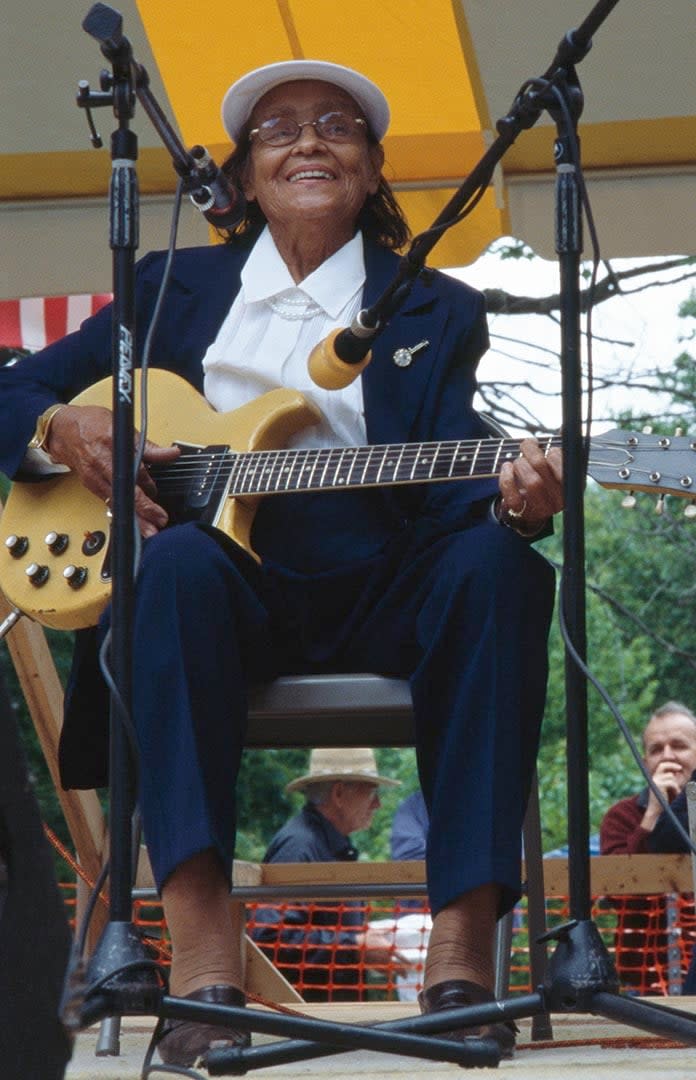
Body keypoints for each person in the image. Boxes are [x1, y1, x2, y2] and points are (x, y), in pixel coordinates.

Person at [0, 59, 563, 1066]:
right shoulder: (171, 286)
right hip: (223, 590)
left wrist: (515, 506)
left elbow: (452, 503)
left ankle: (463, 957)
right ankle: (203, 965)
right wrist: (58, 421)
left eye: (336, 126)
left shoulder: (435, 308)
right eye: (279, 132)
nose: (308, 141)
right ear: (246, 178)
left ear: (374, 167)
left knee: (500, 567)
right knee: (172, 572)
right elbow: (13, 388)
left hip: (388, 578)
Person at [250, 747, 401, 1000]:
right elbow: (269, 938)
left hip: (320, 1021)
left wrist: (360, 942)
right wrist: (354, 946)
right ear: (339, 793)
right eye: (372, 792)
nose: (378, 803)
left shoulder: (323, 843)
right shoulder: (299, 847)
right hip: (305, 1023)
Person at [600, 701, 696, 992]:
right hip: (644, 979)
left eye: (679, 746)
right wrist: (653, 815)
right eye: (656, 749)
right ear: (644, 762)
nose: (668, 756)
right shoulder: (621, 816)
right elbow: (618, 893)